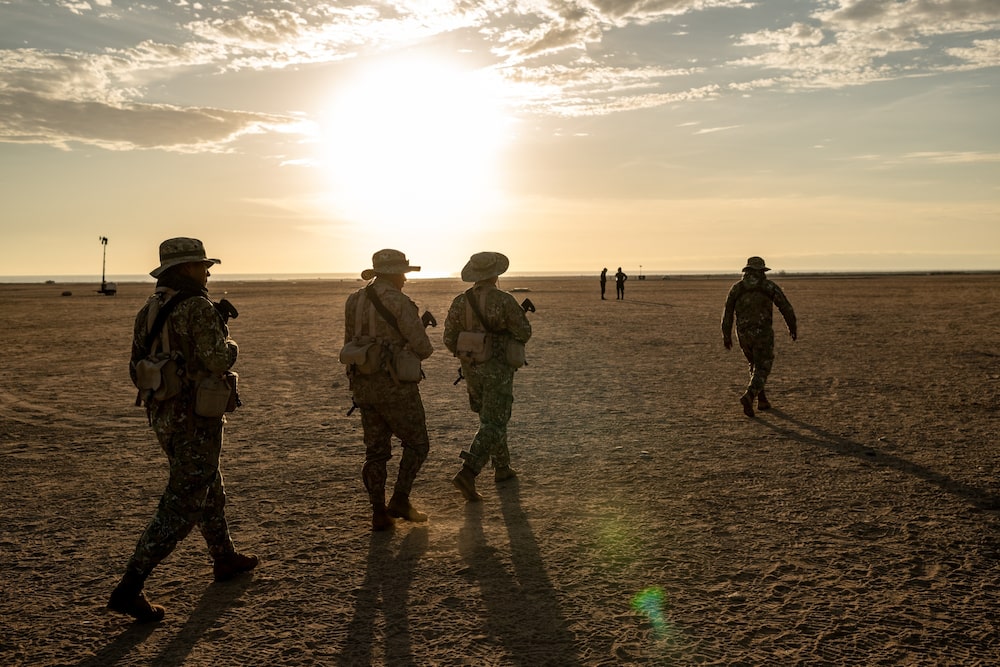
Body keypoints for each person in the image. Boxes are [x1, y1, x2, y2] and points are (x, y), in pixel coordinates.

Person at [108, 238, 257, 623]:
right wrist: (231, 341)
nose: (207, 273)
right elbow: (218, 358)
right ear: (187, 269)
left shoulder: (149, 310)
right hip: (195, 416)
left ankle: (223, 557)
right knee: (183, 501)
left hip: (164, 415)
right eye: (202, 266)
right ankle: (131, 585)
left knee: (209, 483)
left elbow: (134, 367)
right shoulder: (197, 307)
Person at [344, 249, 434, 531]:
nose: (405, 280)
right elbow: (422, 347)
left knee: (376, 452)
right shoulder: (398, 300)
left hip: (363, 385)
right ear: (395, 274)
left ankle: (378, 511)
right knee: (418, 444)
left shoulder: (354, 299)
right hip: (395, 387)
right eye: (403, 274)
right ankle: (401, 499)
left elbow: (350, 340)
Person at [444, 252, 532, 502]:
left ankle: (502, 467)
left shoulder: (460, 301)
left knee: (489, 417)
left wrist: (469, 353)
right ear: (495, 274)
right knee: (495, 420)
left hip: (471, 369)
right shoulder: (504, 300)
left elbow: (449, 339)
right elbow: (524, 332)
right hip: (498, 369)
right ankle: (468, 472)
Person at [721, 256, 797, 418]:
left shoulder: (737, 288)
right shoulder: (768, 286)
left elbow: (727, 313)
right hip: (762, 333)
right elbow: (785, 307)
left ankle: (762, 400)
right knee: (763, 366)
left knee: (754, 364)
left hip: (743, 334)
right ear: (762, 271)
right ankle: (749, 396)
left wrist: (726, 334)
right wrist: (792, 326)